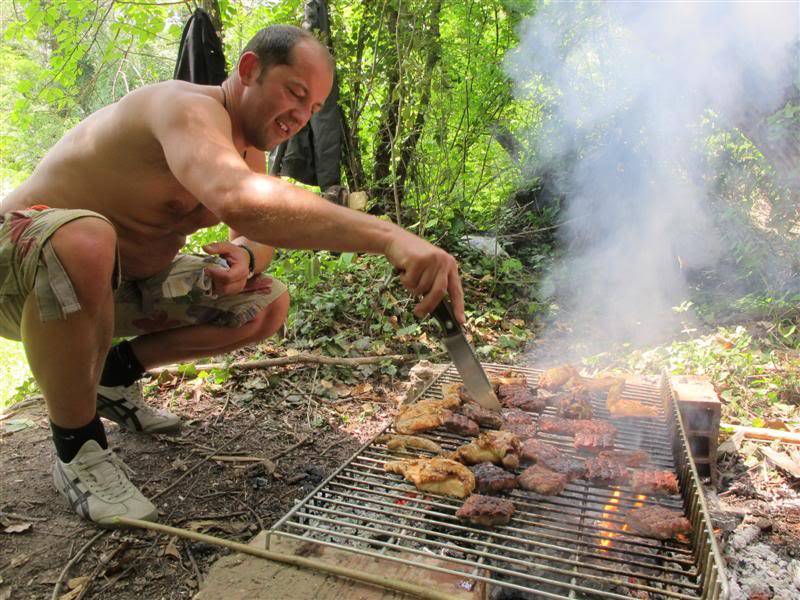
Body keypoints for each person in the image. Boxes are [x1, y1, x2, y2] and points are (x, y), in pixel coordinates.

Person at [0, 25, 463, 527]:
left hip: (114, 295)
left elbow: (260, 224)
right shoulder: (185, 108)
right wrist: (392, 236)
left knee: (266, 299)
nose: (301, 118)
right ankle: (78, 449)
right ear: (248, 71)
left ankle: (114, 377)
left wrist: (245, 256)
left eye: (314, 108)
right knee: (87, 238)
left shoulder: (248, 152)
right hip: (20, 273)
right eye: (295, 93)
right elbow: (241, 200)